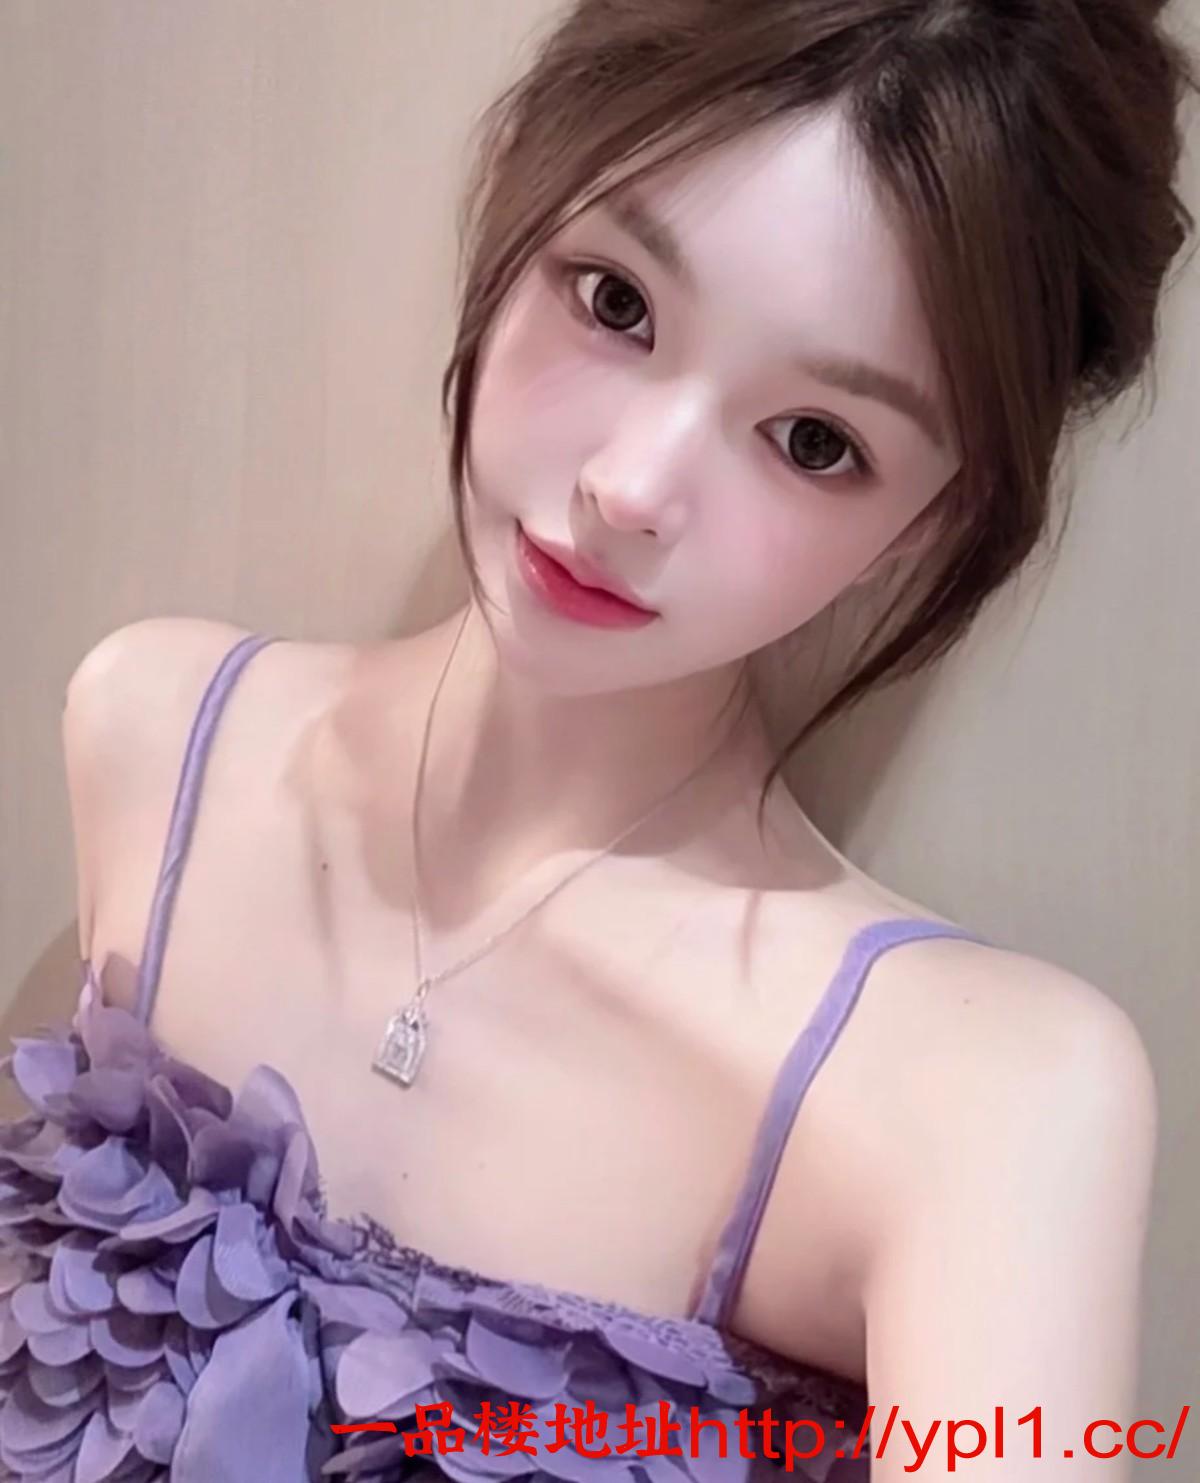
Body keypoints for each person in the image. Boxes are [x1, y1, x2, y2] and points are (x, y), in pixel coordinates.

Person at [1, 1, 1195, 1479]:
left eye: (816, 440)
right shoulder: (152, 737)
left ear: (928, 525)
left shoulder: (980, 1106)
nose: (631, 489)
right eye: (616, 301)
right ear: (524, 187)